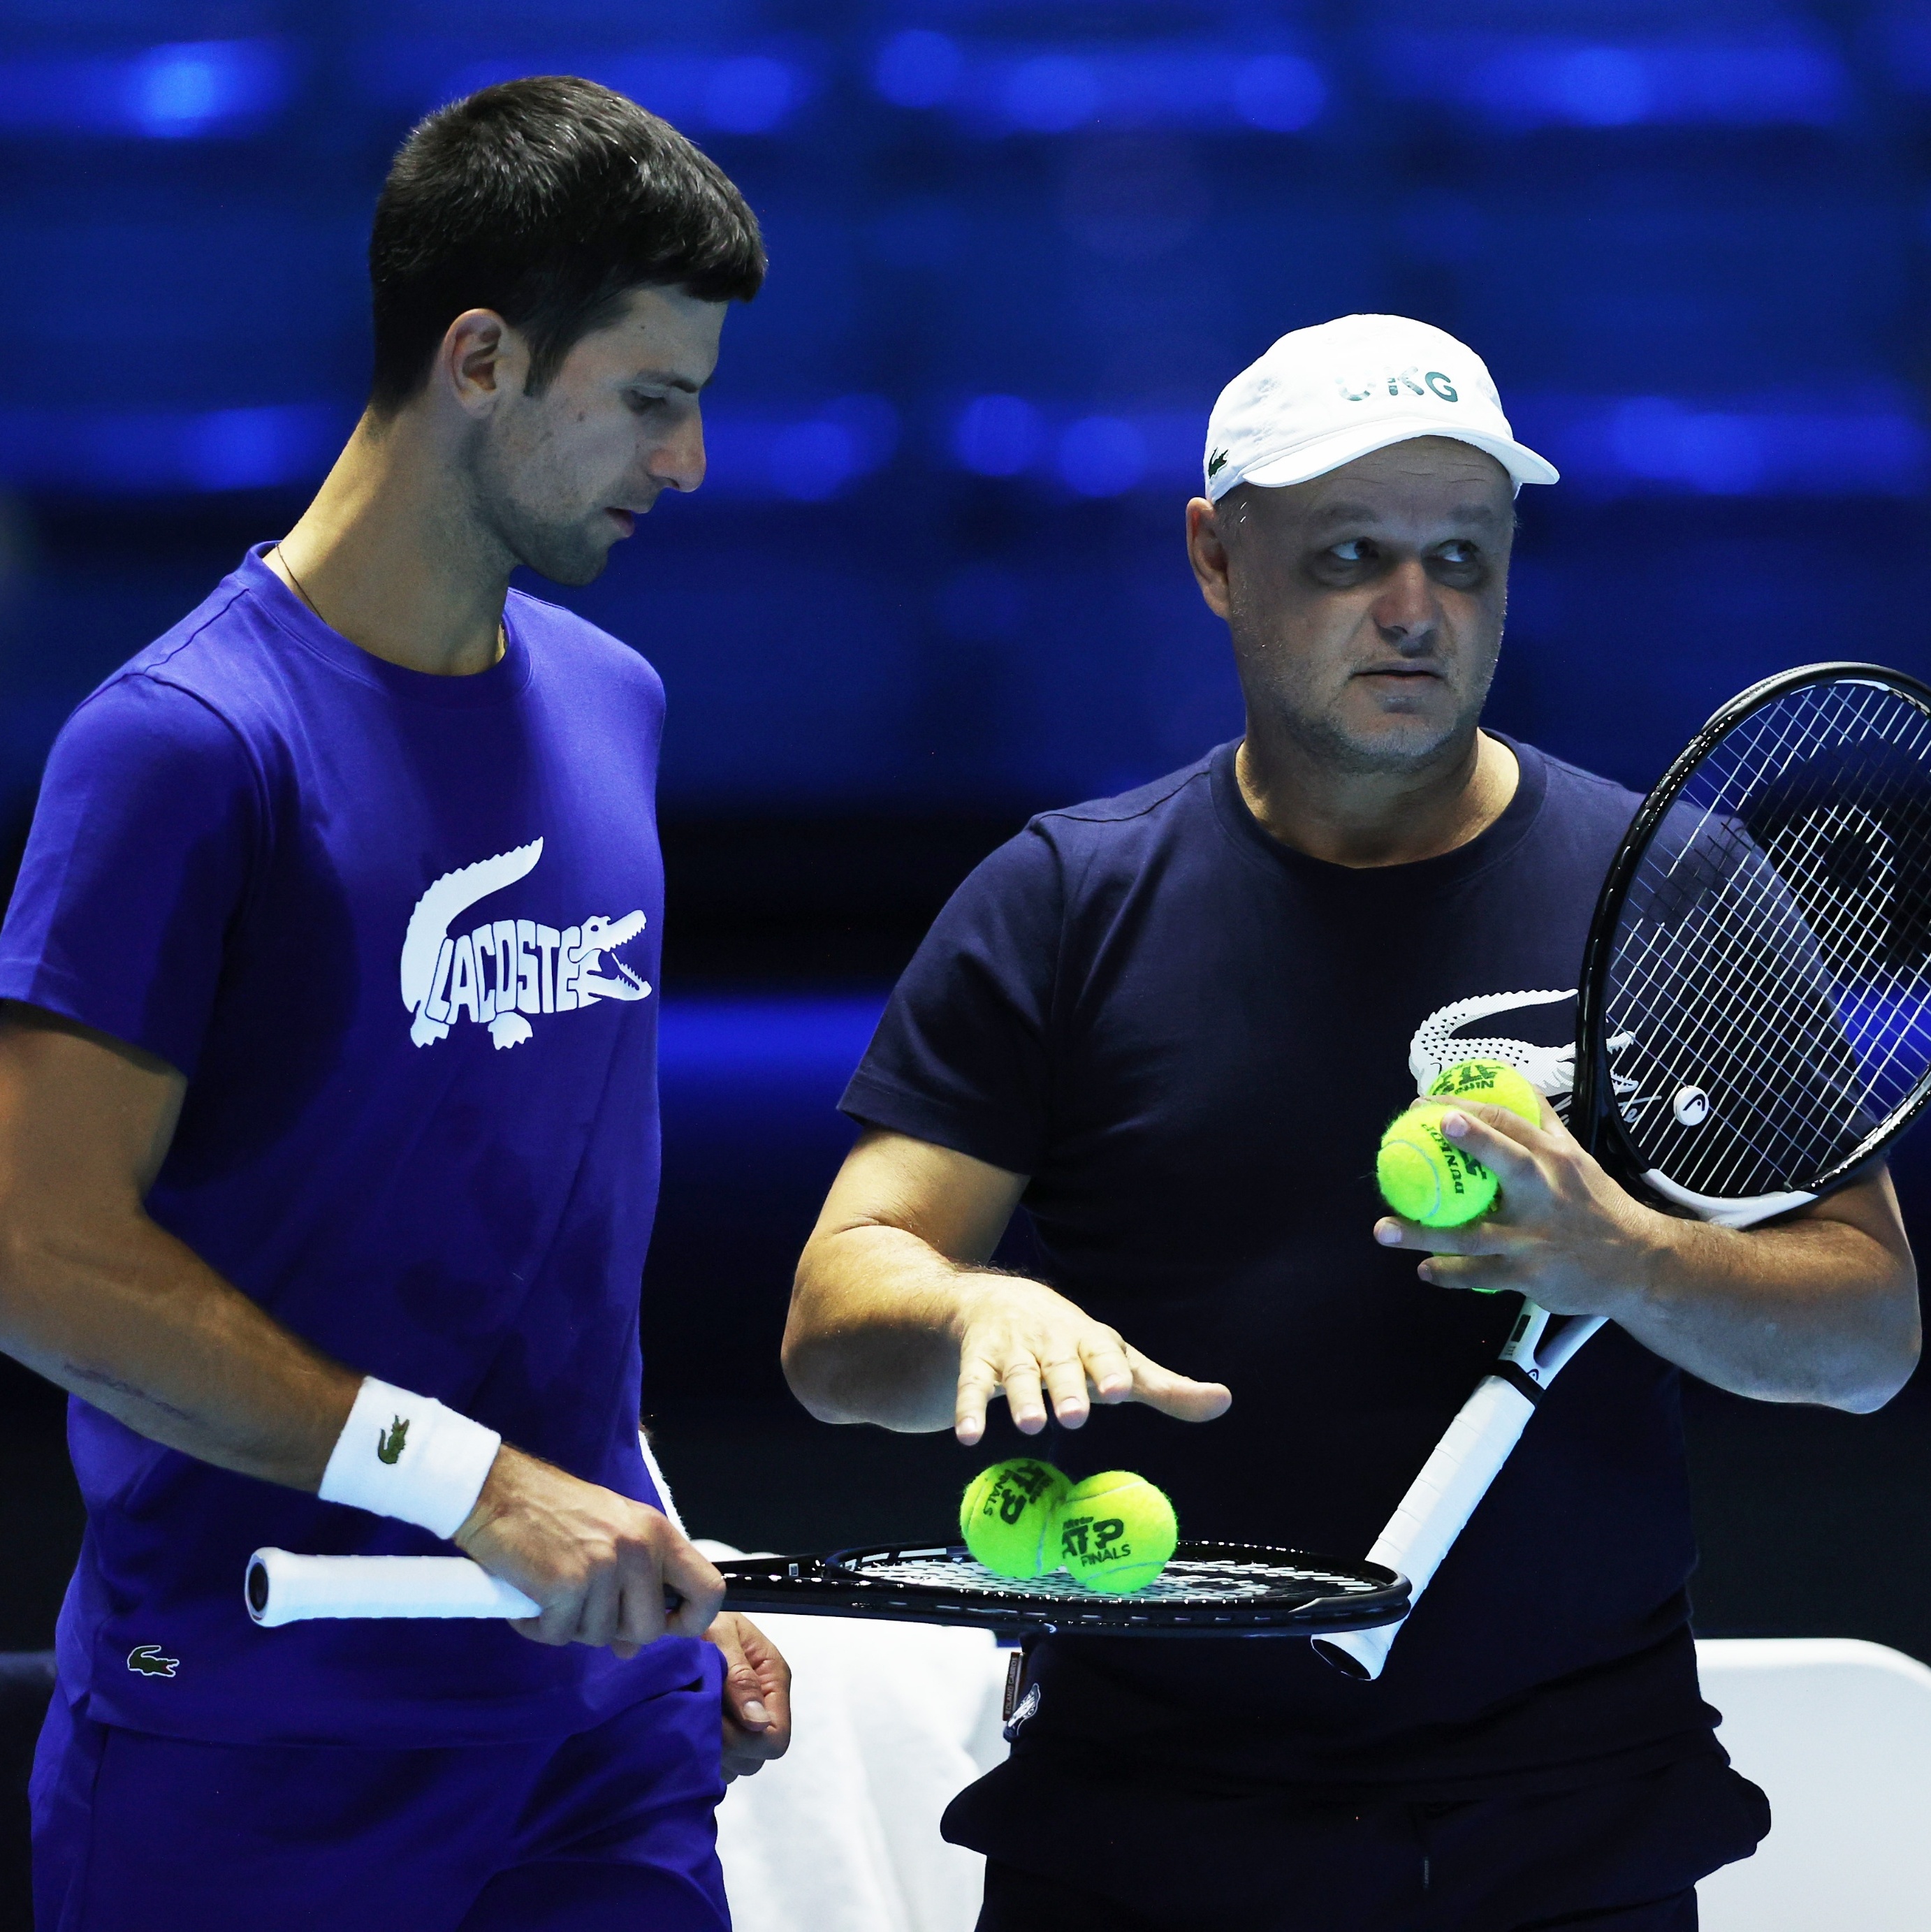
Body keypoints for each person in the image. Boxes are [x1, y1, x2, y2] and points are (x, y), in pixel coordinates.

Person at [782, 314, 1921, 1931]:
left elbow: (1865, 1336)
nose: (1412, 611)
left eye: (1460, 558)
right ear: (1215, 558)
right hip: (1135, 1834)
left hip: (1569, 1841)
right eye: (1348, 556)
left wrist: (1634, 1264)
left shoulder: (1680, 893)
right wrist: (969, 1307)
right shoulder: (1058, 901)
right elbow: (837, 1329)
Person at [0, 77, 792, 1932]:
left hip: (602, 1733)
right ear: (480, 359)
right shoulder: (183, 746)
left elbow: (548, 1251)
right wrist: (473, 1487)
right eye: (652, 401)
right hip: (256, 1738)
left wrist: (642, 1534)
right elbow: (35, 1250)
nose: (685, 464)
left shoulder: (615, 701)